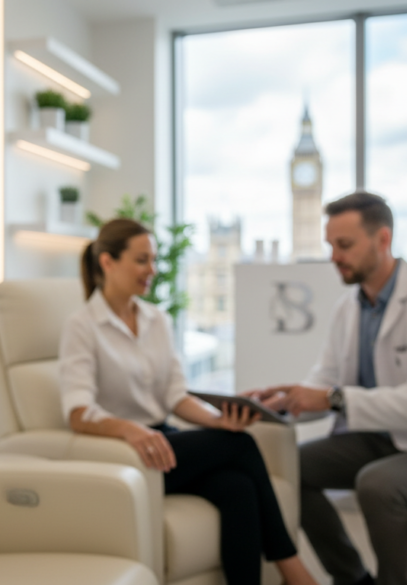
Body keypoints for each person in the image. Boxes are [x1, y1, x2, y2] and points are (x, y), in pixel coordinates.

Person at [246, 192, 407, 585]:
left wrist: (331, 398)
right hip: (376, 438)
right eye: (331, 245)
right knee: (289, 466)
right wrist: (283, 402)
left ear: (383, 239)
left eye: (344, 245)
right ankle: (352, 578)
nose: (334, 256)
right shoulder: (348, 308)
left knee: (378, 485)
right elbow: (325, 380)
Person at [59, 218, 317, 585]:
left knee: (238, 488)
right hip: (126, 452)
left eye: (153, 260)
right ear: (107, 262)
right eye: (142, 260)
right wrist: (129, 430)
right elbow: (78, 412)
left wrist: (217, 419)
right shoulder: (82, 325)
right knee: (241, 445)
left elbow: (175, 396)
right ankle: (294, 570)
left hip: (164, 442)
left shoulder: (156, 320)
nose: (152, 270)